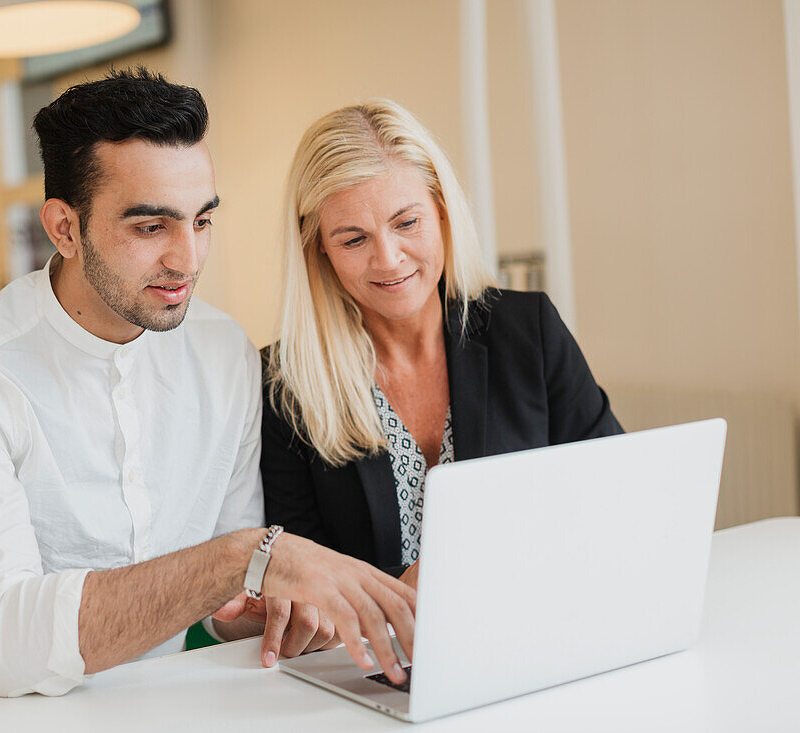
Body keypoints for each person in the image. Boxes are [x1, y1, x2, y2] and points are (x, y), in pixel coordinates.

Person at [0, 70, 413, 713]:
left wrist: (280, 610)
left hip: (150, 706)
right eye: (150, 227)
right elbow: (5, 645)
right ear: (64, 229)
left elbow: (223, 608)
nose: (188, 260)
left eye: (202, 220)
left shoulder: (224, 353)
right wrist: (245, 558)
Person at [262, 99, 623, 585]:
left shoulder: (528, 330)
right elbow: (298, 576)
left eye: (407, 223)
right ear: (319, 249)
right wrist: (399, 590)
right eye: (353, 239)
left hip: (539, 624)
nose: (388, 260)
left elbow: (616, 491)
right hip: (376, 658)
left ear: (442, 213)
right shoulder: (284, 384)